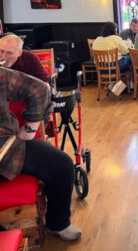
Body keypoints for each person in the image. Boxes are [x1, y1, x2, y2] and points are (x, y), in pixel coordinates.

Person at [0, 67, 81, 241]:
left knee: (62, 165)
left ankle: (58, 223)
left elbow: (39, 89)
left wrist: (30, 129)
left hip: (9, 148)